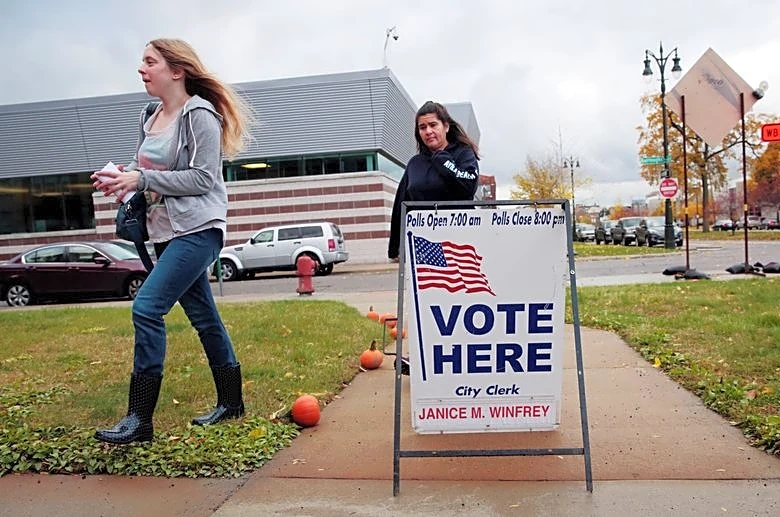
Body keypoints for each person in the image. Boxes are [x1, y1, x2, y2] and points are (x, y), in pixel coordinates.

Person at [92, 38, 250, 444]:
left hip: (199, 230)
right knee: (204, 318)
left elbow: (202, 178)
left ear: (176, 71)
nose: (141, 69)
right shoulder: (151, 114)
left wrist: (141, 180)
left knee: (146, 308)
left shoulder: (200, 115)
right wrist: (120, 177)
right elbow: (142, 163)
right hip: (165, 232)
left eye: (150, 62)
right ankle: (232, 403)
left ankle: (139, 419)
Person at [387, 101, 480, 261]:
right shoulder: (415, 163)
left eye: (433, 125)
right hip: (424, 245)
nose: (428, 131)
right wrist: (395, 246)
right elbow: (401, 205)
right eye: (422, 127)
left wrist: (442, 159)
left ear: (446, 126)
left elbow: (468, 187)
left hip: (460, 242)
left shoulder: (464, 154)